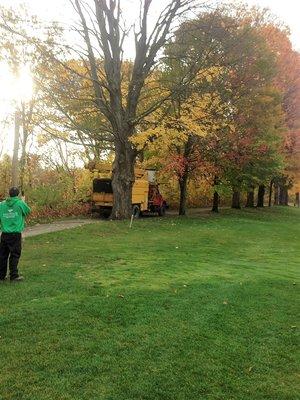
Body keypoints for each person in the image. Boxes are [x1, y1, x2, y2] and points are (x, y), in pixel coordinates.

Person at [0, 187, 31, 282]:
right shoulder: (20, 203)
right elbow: (27, 211)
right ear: (17, 194)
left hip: (4, 234)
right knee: (15, 255)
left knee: (2, 255)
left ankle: (1, 276)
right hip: (15, 234)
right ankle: (14, 276)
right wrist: (23, 201)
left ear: (9, 194)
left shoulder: (1, 204)